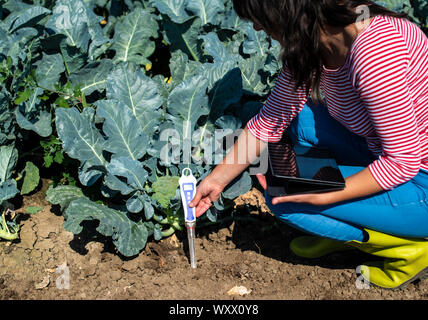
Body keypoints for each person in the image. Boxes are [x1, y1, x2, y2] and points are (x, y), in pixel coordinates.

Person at [189, 0, 428, 290]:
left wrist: (327, 196)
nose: (256, 26)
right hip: (384, 150)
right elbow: (268, 123)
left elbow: (402, 161)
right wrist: (216, 180)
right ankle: (349, 222)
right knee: (302, 121)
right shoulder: (315, 40)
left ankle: (407, 250)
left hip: (419, 181)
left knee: (288, 203)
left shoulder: (376, 55)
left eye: (261, 17)